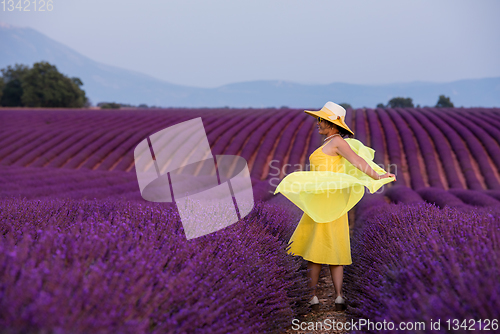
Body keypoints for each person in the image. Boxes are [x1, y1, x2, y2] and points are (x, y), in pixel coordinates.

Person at [273, 101, 396, 312]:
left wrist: (378, 176)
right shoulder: (331, 141)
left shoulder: (338, 142)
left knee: (317, 249)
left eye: (321, 120)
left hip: (327, 202)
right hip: (321, 199)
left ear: (332, 124)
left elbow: (357, 161)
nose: (317, 123)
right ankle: (336, 297)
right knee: (329, 246)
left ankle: (316, 297)